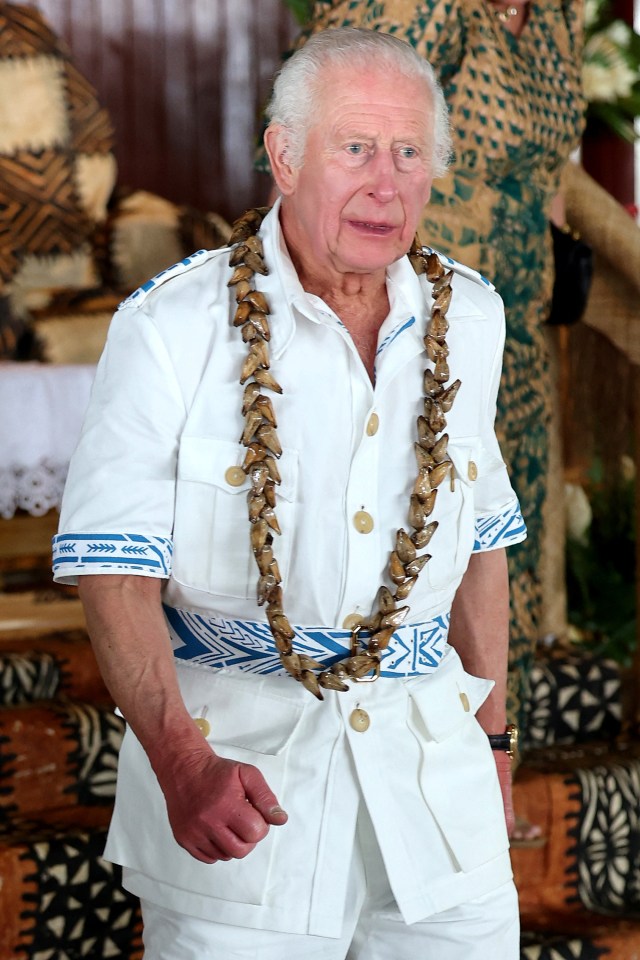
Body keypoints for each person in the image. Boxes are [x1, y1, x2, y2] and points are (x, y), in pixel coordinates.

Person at [53, 28, 526, 959]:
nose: (385, 184)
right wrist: (182, 762)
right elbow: (114, 575)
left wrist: (497, 747)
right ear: (284, 156)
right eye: (355, 148)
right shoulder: (171, 325)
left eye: (409, 153)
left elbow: (482, 544)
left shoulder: (472, 316)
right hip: (241, 793)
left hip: (436, 796)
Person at [273, 0, 586, 747]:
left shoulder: (556, 15)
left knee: (498, 541)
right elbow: (322, 158)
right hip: (398, 318)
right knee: (399, 542)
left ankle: (493, 763)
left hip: (508, 319)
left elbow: (553, 175)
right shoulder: (419, 6)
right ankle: (381, 755)